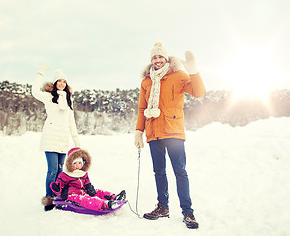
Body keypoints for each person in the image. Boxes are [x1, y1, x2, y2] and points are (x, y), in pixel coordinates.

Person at [134, 41, 205, 229]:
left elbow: (199, 92)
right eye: (154, 57)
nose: (157, 60)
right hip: (153, 133)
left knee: (180, 172)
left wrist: (193, 71)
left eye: (160, 56)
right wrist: (138, 132)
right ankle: (162, 207)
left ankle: (188, 212)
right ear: (151, 60)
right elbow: (142, 108)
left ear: (166, 58)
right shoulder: (146, 81)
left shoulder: (179, 75)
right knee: (159, 172)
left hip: (173, 131)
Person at [32, 64, 81, 211]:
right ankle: (49, 199)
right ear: (55, 83)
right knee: (52, 170)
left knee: (61, 172)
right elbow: (34, 91)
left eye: (64, 81)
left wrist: (77, 141)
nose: (61, 83)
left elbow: (71, 122)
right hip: (50, 137)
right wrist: (40, 73)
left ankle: (58, 198)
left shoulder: (68, 100)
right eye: (59, 81)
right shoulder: (48, 97)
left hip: (63, 139)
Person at [50, 147, 126, 211]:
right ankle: (106, 204)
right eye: (75, 163)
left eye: (79, 163)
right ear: (70, 164)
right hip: (70, 195)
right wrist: (56, 188)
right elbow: (59, 188)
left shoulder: (83, 173)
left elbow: (87, 182)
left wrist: (90, 188)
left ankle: (115, 197)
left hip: (83, 191)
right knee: (87, 200)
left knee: (97, 191)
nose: (77, 166)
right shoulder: (65, 175)